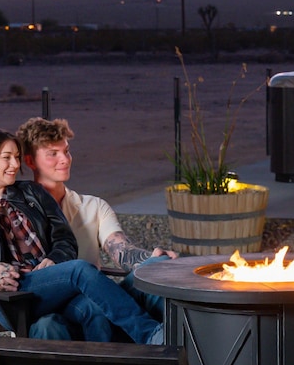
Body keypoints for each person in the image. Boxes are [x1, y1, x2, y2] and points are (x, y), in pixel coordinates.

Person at [0, 128, 164, 345]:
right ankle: (149, 333)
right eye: (6, 158)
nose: (15, 165)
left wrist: (54, 259)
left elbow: (64, 238)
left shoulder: (32, 193)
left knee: (93, 310)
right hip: (12, 295)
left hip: (52, 280)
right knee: (80, 269)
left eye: (17, 157)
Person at [16, 116, 175, 321]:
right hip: (53, 308)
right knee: (68, 316)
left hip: (101, 299)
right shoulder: (17, 213)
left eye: (66, 151)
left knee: (158, 268)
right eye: (52, 154)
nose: (64, 159)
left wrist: (151, 258)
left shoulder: (93, 206)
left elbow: (122, 251)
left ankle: (175, 346)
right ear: (30, 161)